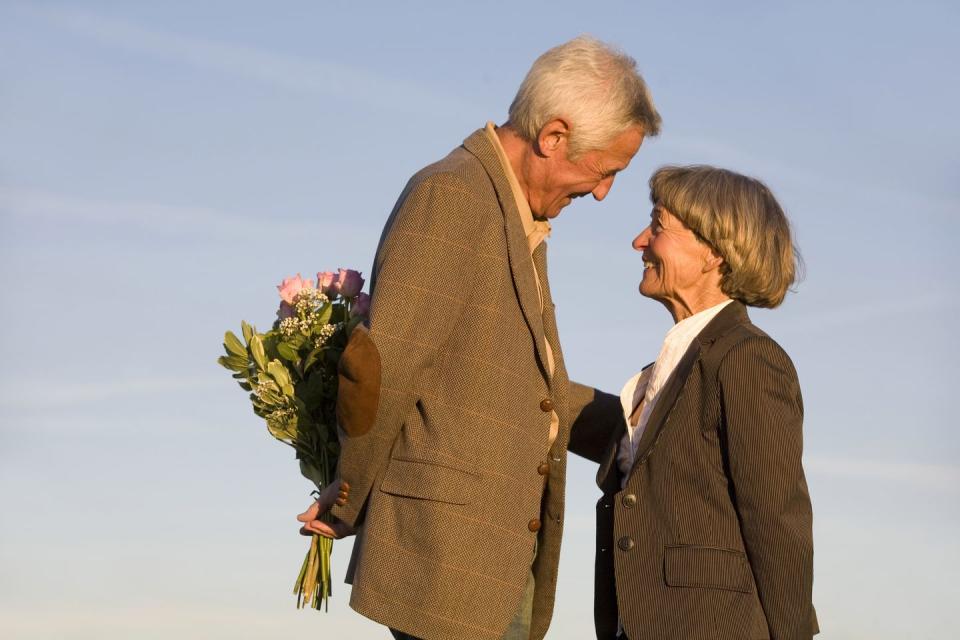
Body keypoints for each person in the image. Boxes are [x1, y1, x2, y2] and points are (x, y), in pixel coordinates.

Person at [297, 36, 661, 640]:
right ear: (553, 138)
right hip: (445, 561)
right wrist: (346, 497)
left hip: (486, 565)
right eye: (606, 173)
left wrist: (638, 423)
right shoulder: (454, 196)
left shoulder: (517, 215)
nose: (602, 194)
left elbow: (514, 388)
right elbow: (379, 368)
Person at [594, 166, 818, 639]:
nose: (640, 241)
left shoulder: (748, 358)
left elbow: (777, 520)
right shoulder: (672, 367)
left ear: (713, 251)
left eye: (657, 226)